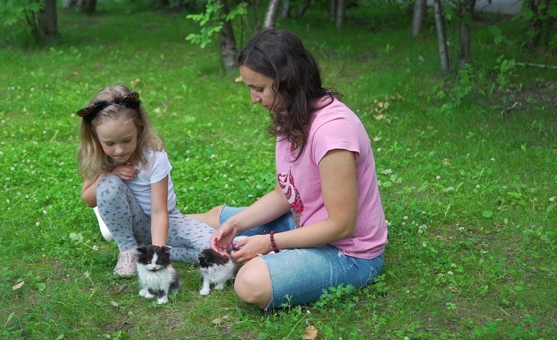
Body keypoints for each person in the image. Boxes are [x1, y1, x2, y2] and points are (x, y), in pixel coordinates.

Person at [190, 29, 388, 310]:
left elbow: (341, 225)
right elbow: (286, 194)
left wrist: (269, 243)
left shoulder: (332, 132)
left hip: (347, 253)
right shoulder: (291, 114)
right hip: (305, 223)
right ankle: (145, 224)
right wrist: (238, 224)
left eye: (259, 89)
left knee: (250, 283)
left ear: (288, 82)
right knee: (219, 219)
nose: (254, 99)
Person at [76, 85, 216, 277]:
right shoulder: (97, 155)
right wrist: (110, 173)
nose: (119, 150)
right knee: (108, 185)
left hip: (166, 221)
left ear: (139, 127)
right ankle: (129, 251)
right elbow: (88, 199)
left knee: (214, 248)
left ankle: (153, 250)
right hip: (132, 223)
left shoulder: (154, 156)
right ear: (95, 136)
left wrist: (157, 255)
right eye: (110, 144)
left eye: (126, 140)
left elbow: (159, 212)